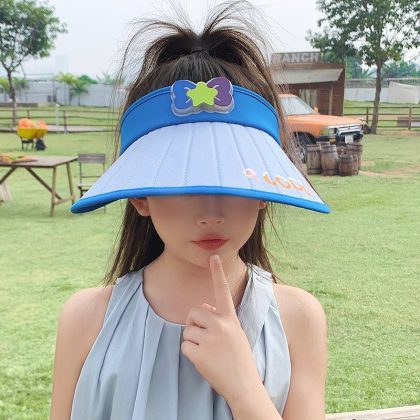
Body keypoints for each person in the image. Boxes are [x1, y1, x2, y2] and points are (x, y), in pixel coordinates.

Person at [50, 2, 329, 419]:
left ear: (263, 189)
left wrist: (245, 389)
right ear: (140, 195)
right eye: (181, 178)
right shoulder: (85, 319)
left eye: (234, 176)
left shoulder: (299, 318)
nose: (210, 212)